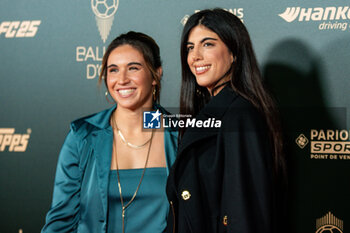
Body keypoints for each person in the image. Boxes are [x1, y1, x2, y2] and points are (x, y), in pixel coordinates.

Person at [42, 31, 177, 233]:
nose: (121, 79)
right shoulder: (83, 136)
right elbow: (60, 222)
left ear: (156, 74)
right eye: (113, 70)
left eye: (133, 68)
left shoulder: (179, 133)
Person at [166, 8, 286, 233]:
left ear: (234, 53)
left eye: (208, 44)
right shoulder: (211, 112)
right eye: (190, 47)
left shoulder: (239, 115)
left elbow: (245, 213)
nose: (195, 56)